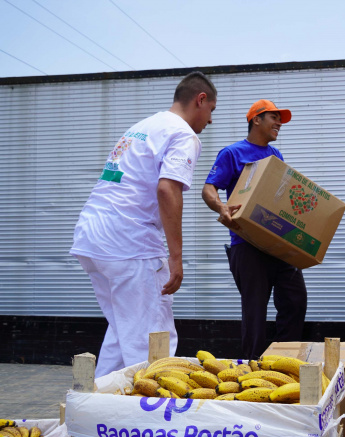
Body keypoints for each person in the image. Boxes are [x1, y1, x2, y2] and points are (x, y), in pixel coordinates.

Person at [70, 71, 217, 378]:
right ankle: (150, 419)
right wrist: (175, 258)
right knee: (154, 341)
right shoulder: (183, 134)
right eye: (211, 111)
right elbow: (167, 189)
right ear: (200, 100)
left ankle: (96, 409)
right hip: (129, 242)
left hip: (93, 238)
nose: (210, 121)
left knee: (126, 332)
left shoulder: (144, 126)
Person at [202, 99, 308, 360]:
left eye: (280, 119)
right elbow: (209, 188)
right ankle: (253, 371)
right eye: (274, 117)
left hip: (277, 243)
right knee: (255, 312)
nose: (279, 123)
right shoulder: (233, 153)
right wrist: (221, 207)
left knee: (295, 300)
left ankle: (283, 361)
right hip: (247, 245)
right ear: (256, 120)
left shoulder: (275, 156)